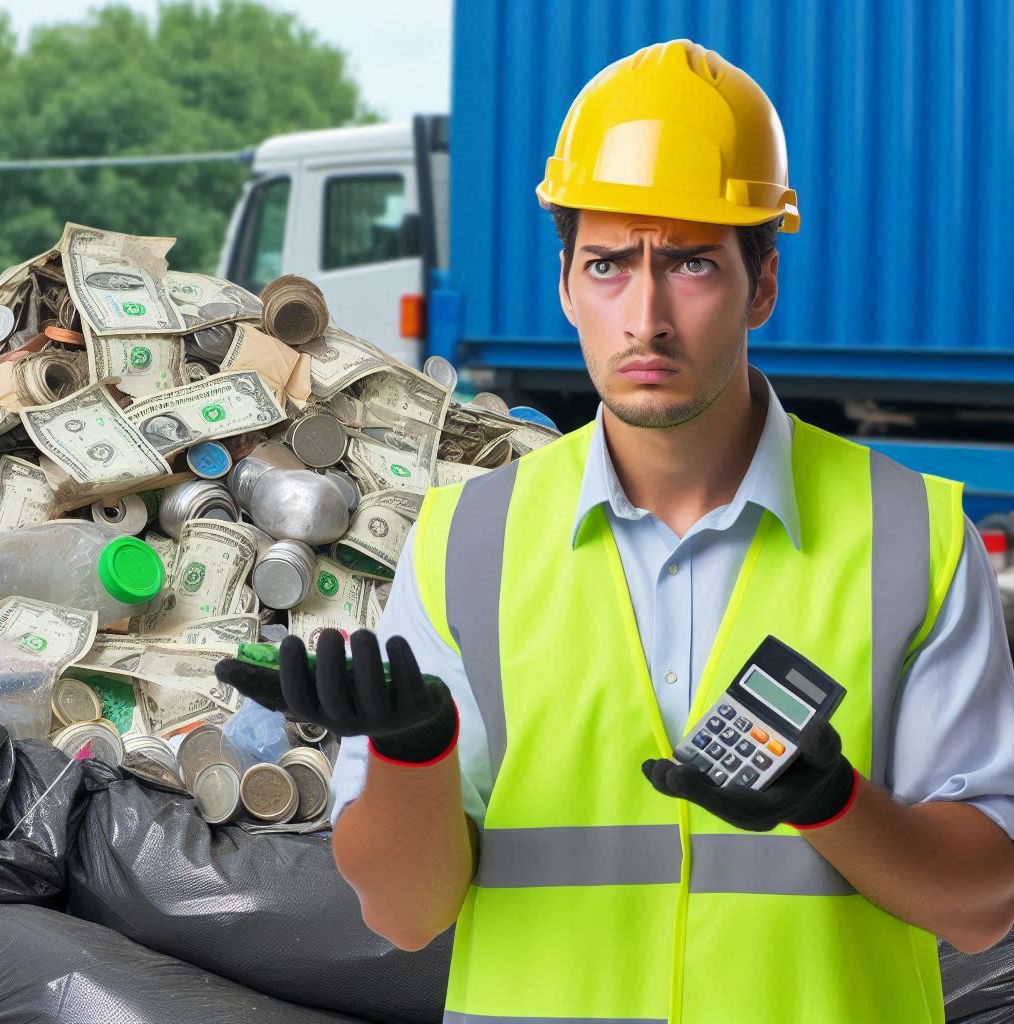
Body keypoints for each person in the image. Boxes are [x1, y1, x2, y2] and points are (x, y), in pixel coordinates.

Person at [218, 39, 1014, 1024]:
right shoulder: (471, 541)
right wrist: (413, 754)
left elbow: (984, 907)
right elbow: (405, 910)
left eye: (689, 262)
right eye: (608, 264)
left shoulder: (913, 536)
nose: (646, 315)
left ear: (760, 285)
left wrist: (835, 806)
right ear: (565, 285)